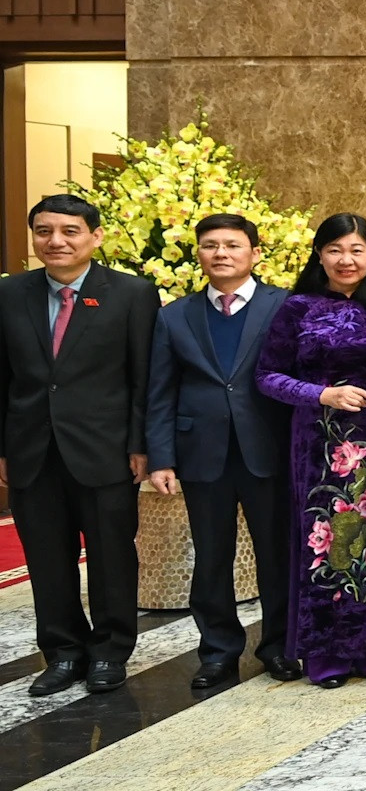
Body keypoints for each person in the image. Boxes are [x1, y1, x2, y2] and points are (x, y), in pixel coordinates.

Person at [0, 195, 160, 697]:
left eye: (69, 231)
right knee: (47, 558)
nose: (56, 241)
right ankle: (63, 652)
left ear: (95, 236)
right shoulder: (10, 293)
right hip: (31, 449)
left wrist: (141, 444)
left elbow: (143, 377)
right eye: (44, 231)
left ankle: (111, 650)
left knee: (112, 556)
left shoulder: (132, 293)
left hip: (106, 449)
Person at [145, 214, 300, 689]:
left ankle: (278, 646)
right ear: (198, 254)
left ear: (255, 252)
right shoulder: (175, 315)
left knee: (276, 554)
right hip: (202, 452)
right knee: (211, 556)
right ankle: (217, 651)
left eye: (232, 244)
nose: (221, 253)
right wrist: (161, 457)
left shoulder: (284, 305)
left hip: (268, 449)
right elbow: (160, 391)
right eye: (210, 245)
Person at [255, 213, 366, 686]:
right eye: (335, 250)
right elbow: (266, 376)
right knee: (323, 543)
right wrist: (321, 394)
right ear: (319, 255)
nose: (347, 260)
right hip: (318, 445)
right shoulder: (296, 309)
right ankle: (328, 652)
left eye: (357, 250)